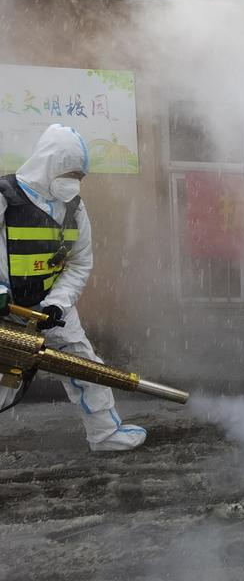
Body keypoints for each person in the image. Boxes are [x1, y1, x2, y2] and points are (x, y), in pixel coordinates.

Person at [0, 124, 146, 451]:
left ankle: (105, 434)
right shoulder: (6, 197)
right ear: (49, 162)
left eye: (80, 175)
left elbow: (80, 262)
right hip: (5, 311)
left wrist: (57, 305)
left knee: (85, 366)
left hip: (50, 309)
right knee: (4, 379)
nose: (75, 182)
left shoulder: (74, 209)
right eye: (70, 173)